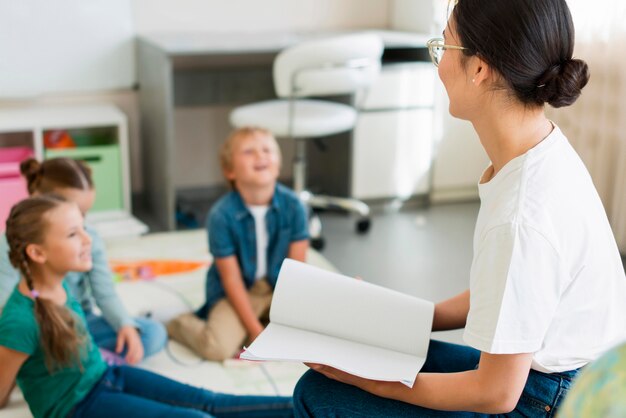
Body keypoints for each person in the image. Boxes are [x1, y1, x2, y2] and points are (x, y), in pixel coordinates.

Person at [293, 0, 626, 416]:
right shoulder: (541, 150)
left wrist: (368, 381)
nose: (439, 65)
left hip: (545, 399)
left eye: (443, 47)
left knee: (317, 394)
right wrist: (390, 317)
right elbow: (508, 290)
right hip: (559, 375)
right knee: (379, 349)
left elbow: (496, 394)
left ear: (480, 69)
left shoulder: (521, 214)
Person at [0, 195, 295, 418]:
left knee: (210, 402)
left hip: (105, 377)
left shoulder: (60, 285)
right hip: (78, 408)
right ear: (37, 252)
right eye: (73, 234)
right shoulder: (19, 321)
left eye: (83, 228)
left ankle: (307, 410)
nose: (88, 239)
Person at [0, 158, 166, 364]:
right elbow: (5, 307)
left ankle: (81, 362)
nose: (85, 233)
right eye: (74, 215)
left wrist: (125, 324)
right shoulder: (11, 244)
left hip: (80, 322)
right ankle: (77, 363)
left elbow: (105, 294)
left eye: (84, 215)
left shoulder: (90, 238)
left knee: (152, 333)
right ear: (39, 200)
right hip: (37, 328)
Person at [167, 127, 309, 361]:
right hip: (237, 293)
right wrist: (256, 332)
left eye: (266, 150)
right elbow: (231, 280)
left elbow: (298, 272)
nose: (260, 156)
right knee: (217, 348)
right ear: (229, 170)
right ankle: (178, 324)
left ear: (278, 163)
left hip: (278, 289)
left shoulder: (295, 206)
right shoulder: (221, 216)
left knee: (317, 331)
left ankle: (260, 321)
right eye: (249, 152)